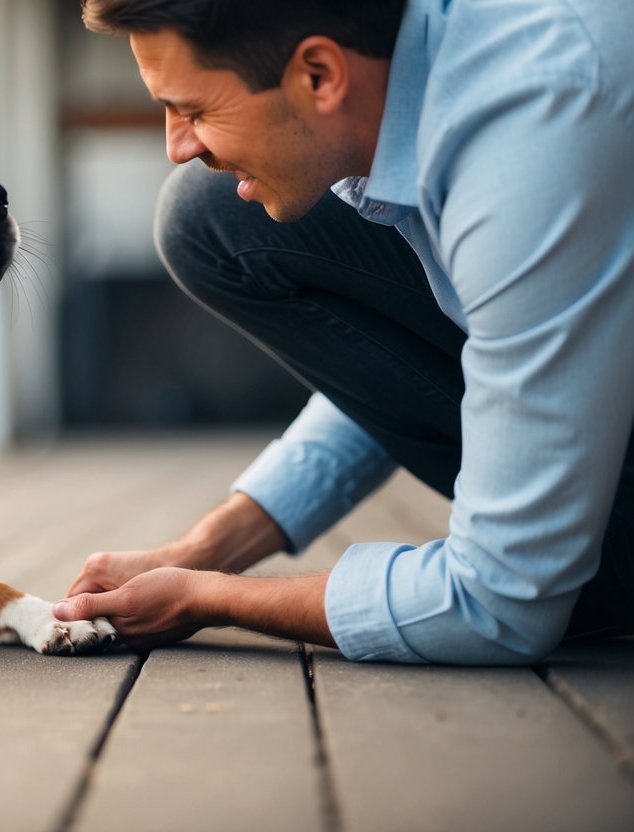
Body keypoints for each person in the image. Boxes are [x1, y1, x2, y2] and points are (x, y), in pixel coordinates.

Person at [53, 0, 634, 663]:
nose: (177, 145)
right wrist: (205, 549)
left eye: (194, 110)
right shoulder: (425, 76)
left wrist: (207, 597)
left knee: (211, 210)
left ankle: (593, 559)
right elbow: (420, 368)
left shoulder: (528, 141)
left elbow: (495, 604)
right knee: (208, 216)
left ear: (320, 75)